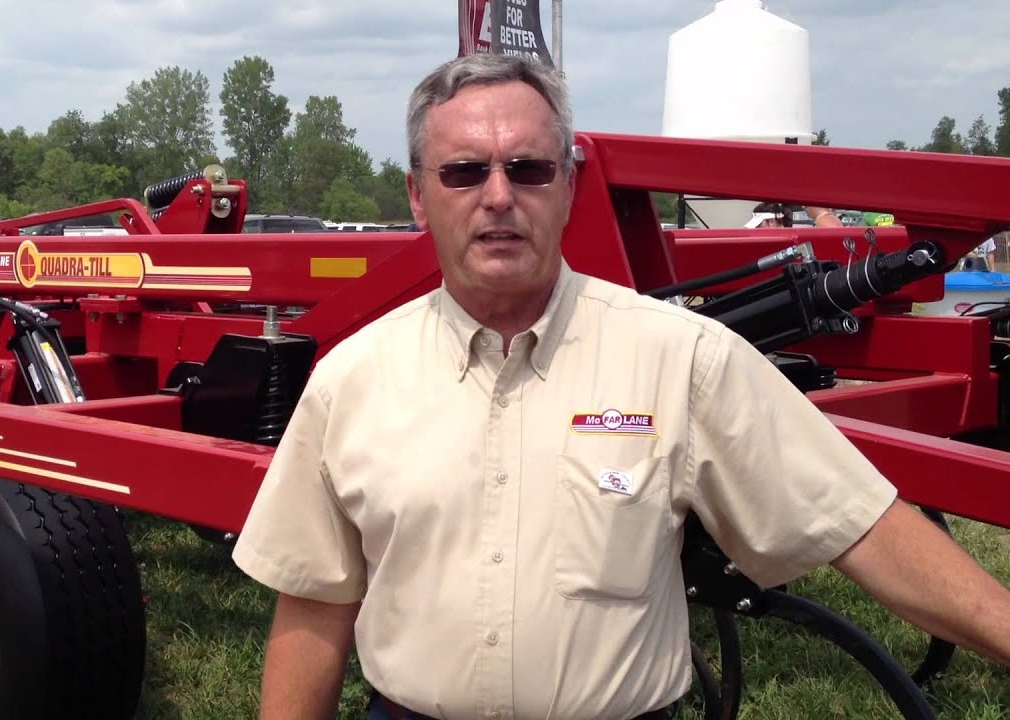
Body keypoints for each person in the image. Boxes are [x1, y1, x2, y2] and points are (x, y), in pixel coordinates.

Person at [231, 53, 1010, 720]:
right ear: (417, 194)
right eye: (465, 171)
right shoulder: (352, 382)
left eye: (528, 168)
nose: (498, 196)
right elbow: (316, 600)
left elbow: (860, 527)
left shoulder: (684, 360)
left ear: (568, 185)